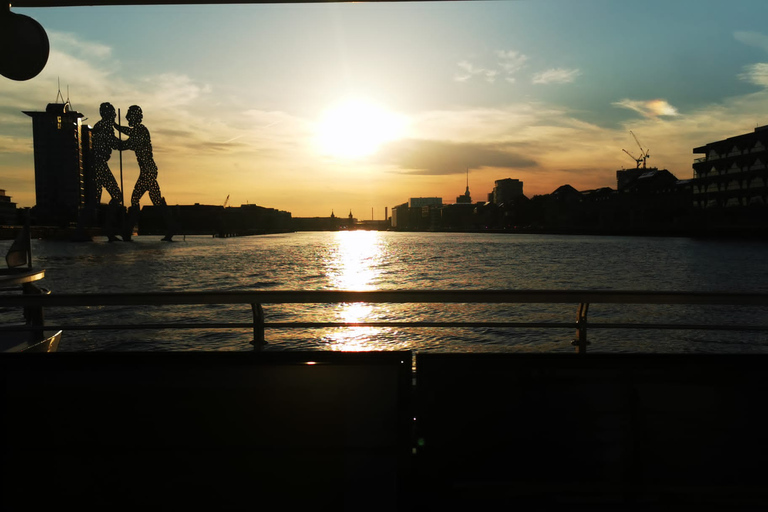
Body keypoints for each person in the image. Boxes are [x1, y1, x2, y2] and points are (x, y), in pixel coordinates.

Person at [115, 105, 173, 241]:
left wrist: (113, 132)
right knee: (156, 201)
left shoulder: (140, 131)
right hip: (148, 170)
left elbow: (124, 144)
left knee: (135, 199)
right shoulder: (138, 130)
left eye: (129, 116)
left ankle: (127, 232)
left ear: (134, 117)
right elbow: (127, 133)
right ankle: (171, 226)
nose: (127, 118)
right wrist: (115, 126)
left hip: (148, 170)